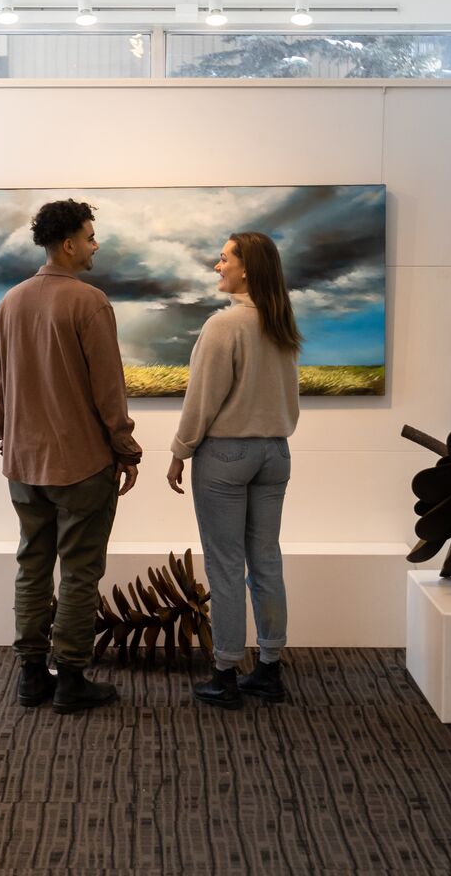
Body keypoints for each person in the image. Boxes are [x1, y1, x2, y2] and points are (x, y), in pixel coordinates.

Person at [0, 198, 141, 714]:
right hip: (82, 465)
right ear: (69, 244)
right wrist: (126, 449)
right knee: (79, 571)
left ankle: (31, 676)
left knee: (32, 565)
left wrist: (8, 438)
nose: (96, 245)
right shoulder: (89, 303)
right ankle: (71, 679)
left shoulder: (11, 301)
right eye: (91, 237)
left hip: (23, 463)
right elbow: (109, 391)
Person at [167, 231, 300, 709]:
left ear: (247, 268)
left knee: (225, 566)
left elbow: (201, 400)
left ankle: (224, 673)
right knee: (266, 561)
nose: (217, 266)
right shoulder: (282, 324)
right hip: (275, 454)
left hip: (225, 456)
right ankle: (269, 669)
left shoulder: (224, 326)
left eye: (224, 258)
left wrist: (180, 450)